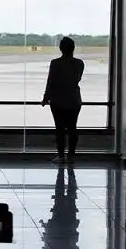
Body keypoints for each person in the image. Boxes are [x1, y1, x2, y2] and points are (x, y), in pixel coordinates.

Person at [41, 36, 84, 164]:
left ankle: (60, 156)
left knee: (59, 129)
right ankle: (71, 156)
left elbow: (51, 82)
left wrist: (45, 98)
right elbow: (77, 79)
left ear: (60, 49)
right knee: (72, 129)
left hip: (58, 100)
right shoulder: (80, 63)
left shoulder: (55, 63)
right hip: (74, 99)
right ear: (73, 48)